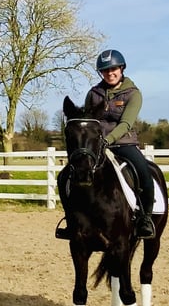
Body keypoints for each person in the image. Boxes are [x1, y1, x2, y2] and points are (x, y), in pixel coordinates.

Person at [58, 49, 156, 240]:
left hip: (123, 142)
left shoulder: (133, 94)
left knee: (144, 171)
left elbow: (126, 123)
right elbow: (87, 121)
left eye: (113, 69)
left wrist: (108, 140)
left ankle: (145, 218)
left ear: (121, 68)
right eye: (105, 70)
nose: (110, 73)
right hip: (96, 146)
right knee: (65, 176)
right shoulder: (93, 93)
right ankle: (72, 220)